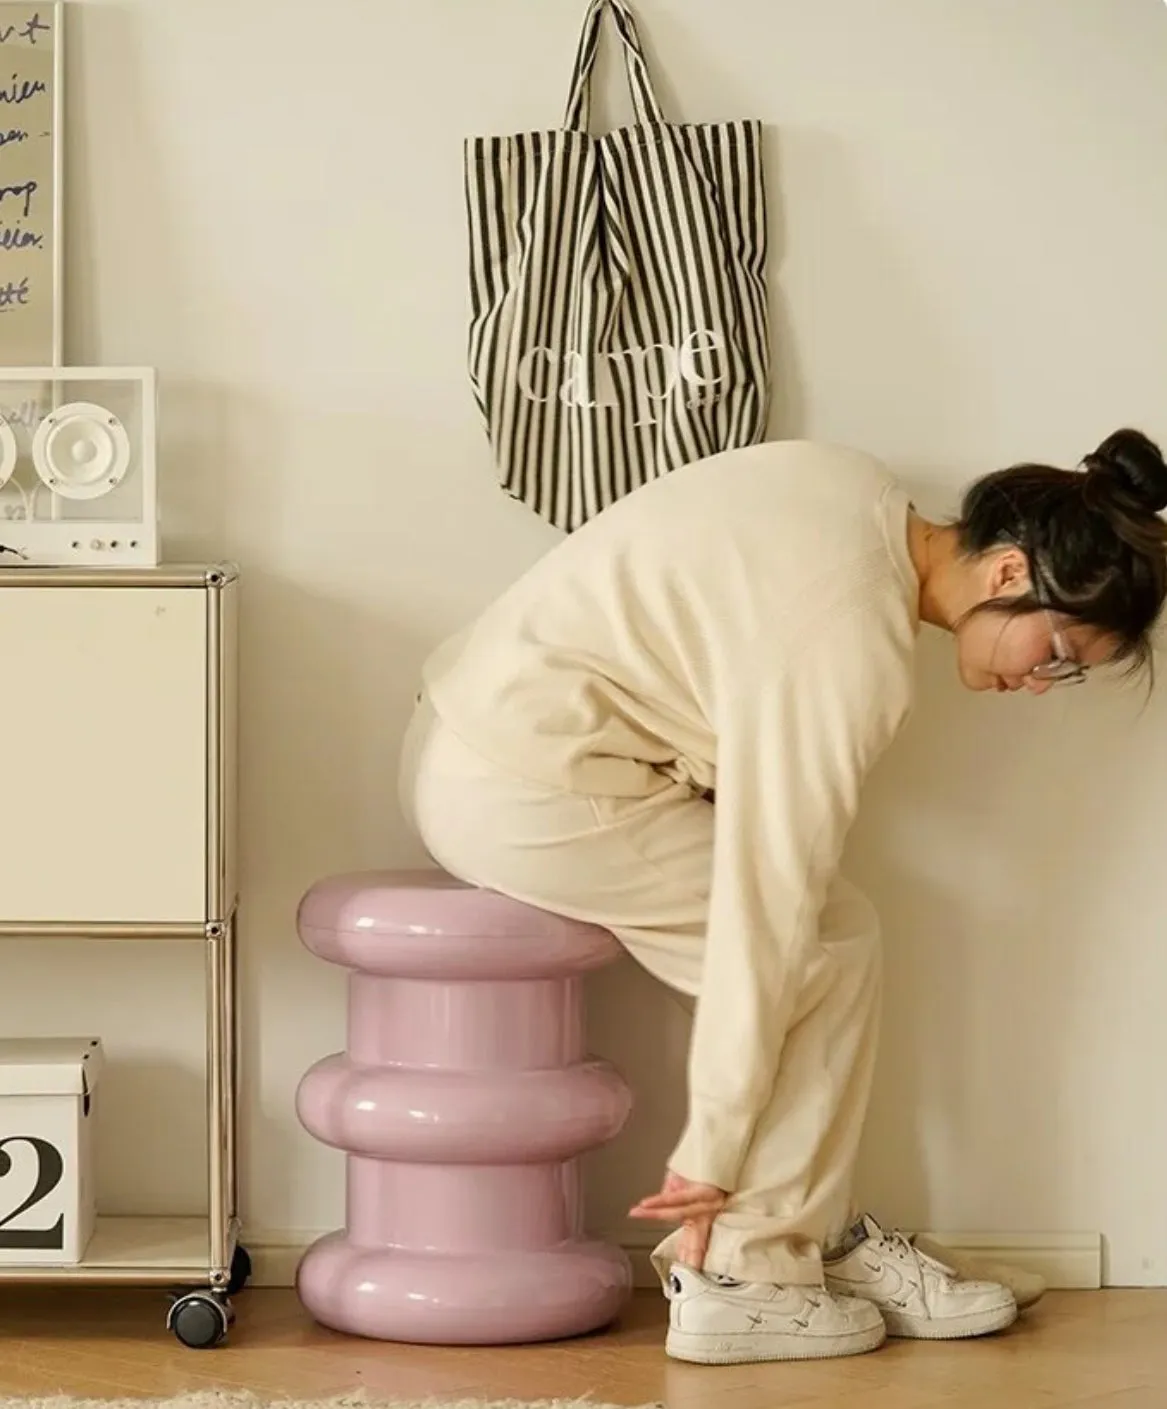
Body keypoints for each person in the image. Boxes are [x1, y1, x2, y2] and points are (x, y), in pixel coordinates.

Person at [397, 431, 1167, 1365]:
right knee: (814, 945)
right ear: (1008, 569)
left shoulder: (850, 481)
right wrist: (710, 1152)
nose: (1040, 682)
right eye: (1056, 650)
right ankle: (747, 1276)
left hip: (470, 725)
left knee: (843, 936)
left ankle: (802, 1234)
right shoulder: (851, 653)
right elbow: (767, 920)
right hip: (517, 783)